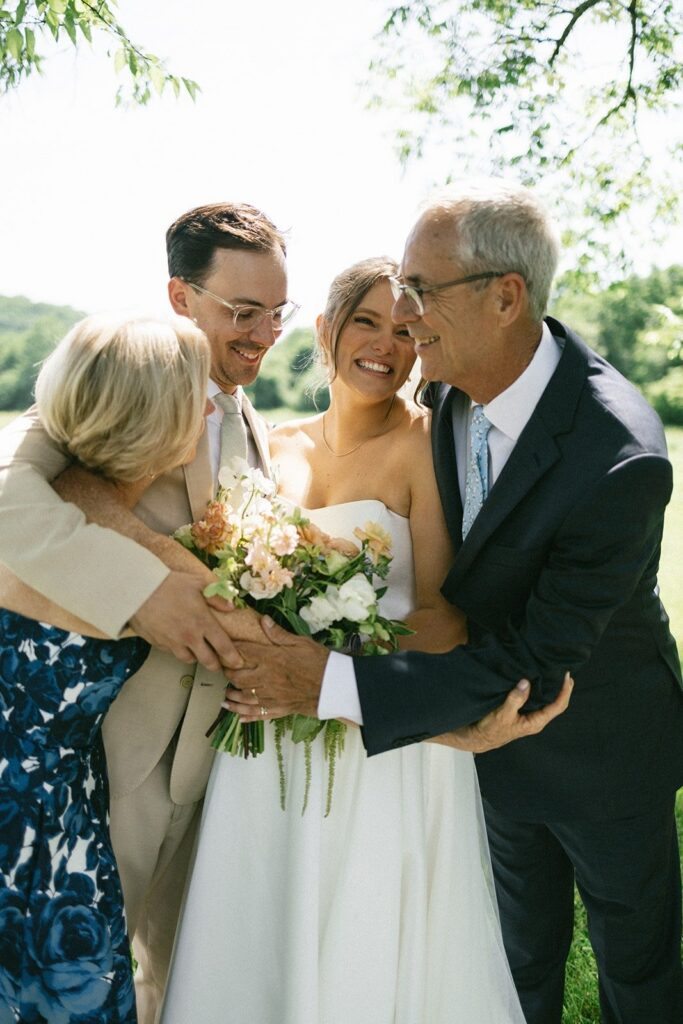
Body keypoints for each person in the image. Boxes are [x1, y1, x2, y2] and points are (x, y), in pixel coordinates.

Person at [226, 181, 683, 1024]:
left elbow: (535, 658)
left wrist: (323, 685)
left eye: (420, 290)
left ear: (504, 296)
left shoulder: (617, 456)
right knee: (513, 958)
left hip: (601, 745)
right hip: (479, 740)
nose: (404, 316)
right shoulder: (446, 392)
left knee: (636, 964)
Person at [161, 257, 555, 1023]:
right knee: (260, 923)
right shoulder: (272, 446)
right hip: (269, 724)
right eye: (367, 321)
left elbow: (442, 616)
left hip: (378, 730)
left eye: (406, 330)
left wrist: (322, 669)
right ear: (325, 330)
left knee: (367, 932)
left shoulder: (423, 446)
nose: (386, 344)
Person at [0, 202, 295, 1023]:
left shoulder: (248, 418)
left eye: (277, 312)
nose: (263, 333)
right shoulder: (114, 374)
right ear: (179, 296)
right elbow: (8, 503)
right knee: (75, 977)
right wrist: (141, 593)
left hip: (214, 757)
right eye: (242, 312)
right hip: (102, 751)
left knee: (180, 978)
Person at [0, 312, 212, 1024]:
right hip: (43, 830)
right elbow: (238, 630)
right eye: (197, 393)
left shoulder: (42, 516)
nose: (211, 406)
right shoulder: (140, 580)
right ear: (158, 422)